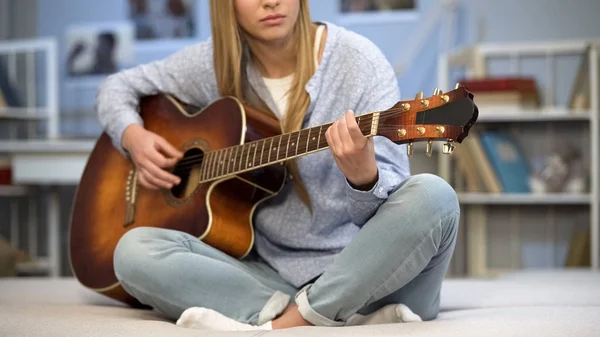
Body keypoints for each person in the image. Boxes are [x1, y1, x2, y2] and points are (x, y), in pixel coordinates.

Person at [96, 0, 460, 331]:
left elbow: (395, 216)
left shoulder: (358, 62)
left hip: (372, 276)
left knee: (435, 196)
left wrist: (364, 179)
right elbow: (116, 87)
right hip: (273, 278)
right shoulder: (214, 64)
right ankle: (310, 315)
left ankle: (289, 321)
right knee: (133, 251)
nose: (271, 1)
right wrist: (132, 137)